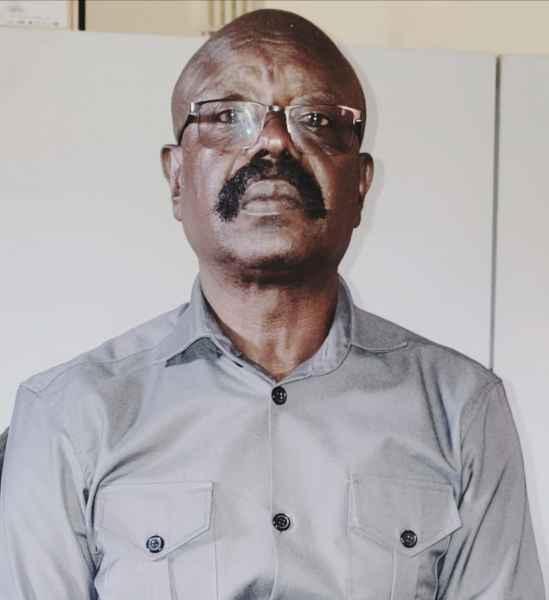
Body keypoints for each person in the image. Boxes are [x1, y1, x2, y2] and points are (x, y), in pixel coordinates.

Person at [0, 8, 545, 600]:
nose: (274, 139)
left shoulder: (462, 408)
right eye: (226, 116)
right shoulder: (66, 415)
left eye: (317, 120)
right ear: (176, 179)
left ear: (361, 186)